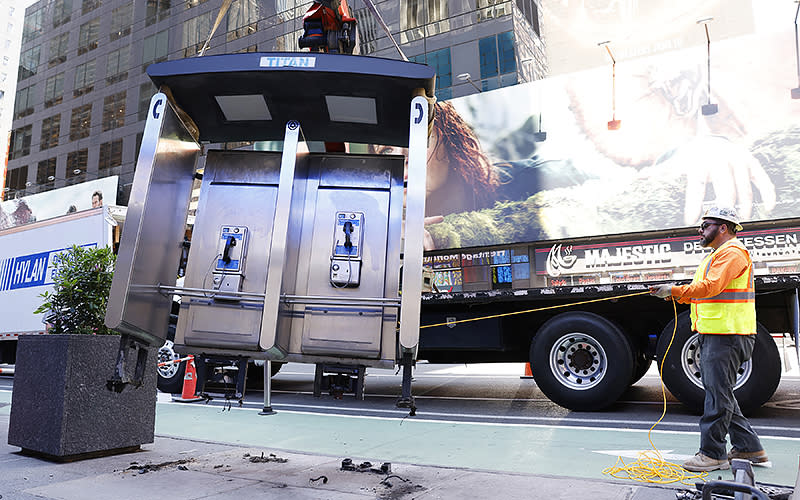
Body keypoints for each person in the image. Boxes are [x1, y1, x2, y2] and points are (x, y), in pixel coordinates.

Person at [649, 206, 768, 472]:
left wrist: (675, 290)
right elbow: (706, 290)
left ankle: (712, 454)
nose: (700, 231)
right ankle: (749, 448)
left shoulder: (731, 253)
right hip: (721, 333)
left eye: (705, 226)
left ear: (723, 227)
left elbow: (711, 287)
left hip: (727, 334)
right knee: (720, 394)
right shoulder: (718, 255)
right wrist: (674, 292)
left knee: (717, 396)